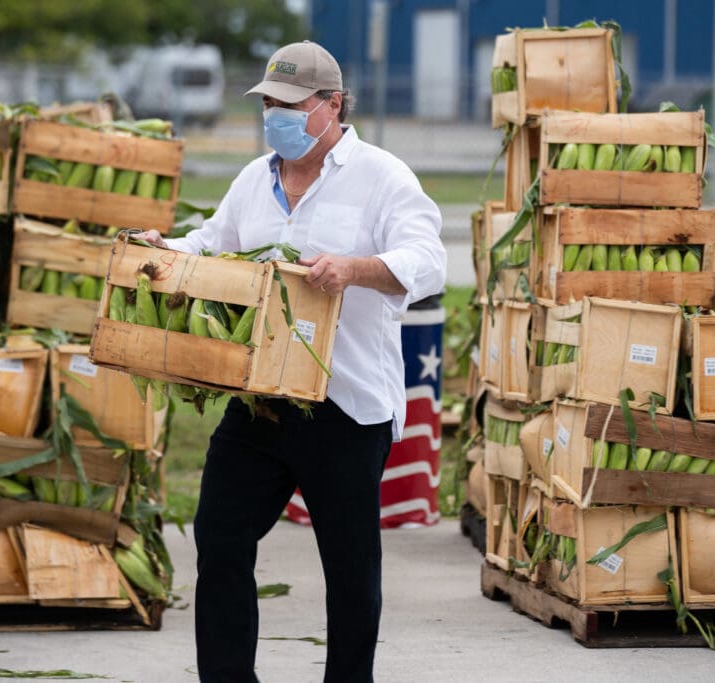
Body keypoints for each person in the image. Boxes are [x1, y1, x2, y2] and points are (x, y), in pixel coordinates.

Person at [140, 41, 446, 682]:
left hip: (345, 404)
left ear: (331, 106)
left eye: (288, 104)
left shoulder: (383, 177)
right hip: (261, 399)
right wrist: (164, 249)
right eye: (267, 103)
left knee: (348, 566)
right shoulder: (256, 177)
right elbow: (212, 244)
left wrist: (355, 269)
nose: (273, 115)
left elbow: (426, 262)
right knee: (219, 539)